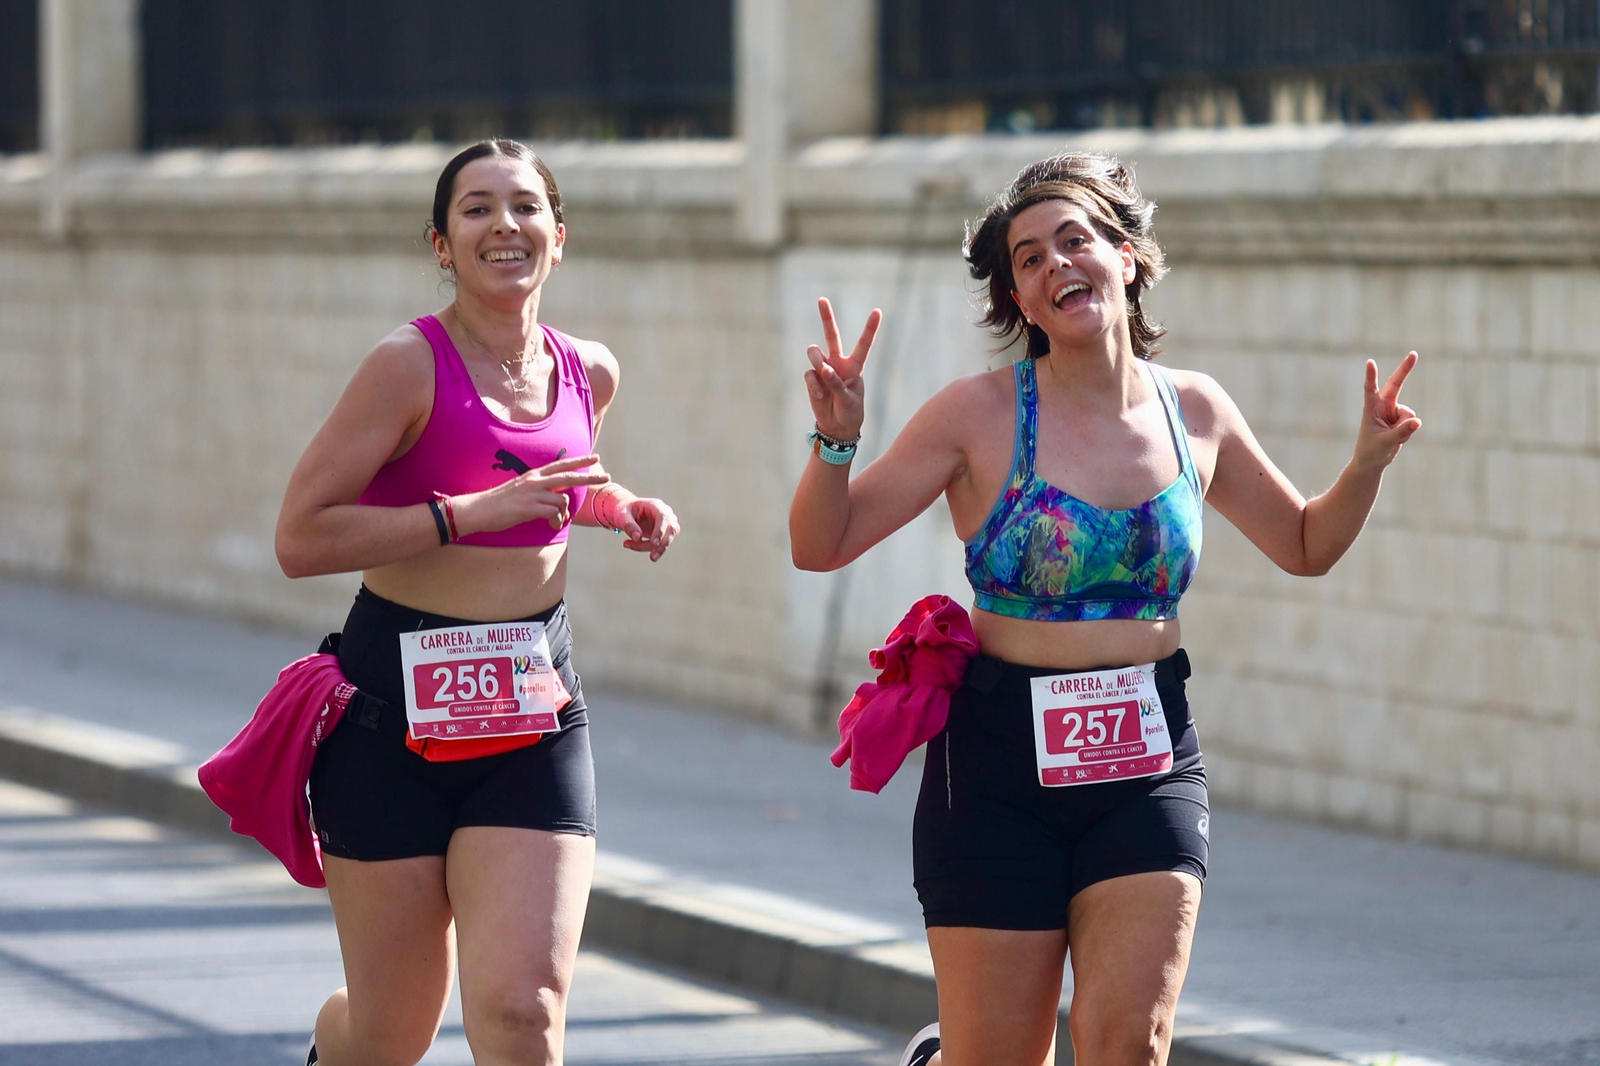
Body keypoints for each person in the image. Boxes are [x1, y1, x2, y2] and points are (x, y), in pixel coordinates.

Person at [789, 152, 1419, 1066]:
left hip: (1148, 755)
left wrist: (1363, 465)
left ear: (1126, 257)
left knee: (1132, 1042)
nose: (1055, 267)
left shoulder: (1194, 409)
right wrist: (835, 443)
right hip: (997, 767)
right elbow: (823, 543)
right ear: (1020, 300)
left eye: (1073, 241)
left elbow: (1307, 545)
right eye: (1029, 260)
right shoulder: (975, 415)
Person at [274, 138, 679, 1066]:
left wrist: (621, 507)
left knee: (522, 1016)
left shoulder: (590, 370)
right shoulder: (404, 366)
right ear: (442, 245)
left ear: (560, 237)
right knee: (388, 1036)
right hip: (388, 728)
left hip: (532, 721)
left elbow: (563, 481)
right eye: (478, 209)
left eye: (527, 206)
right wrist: (463, 517)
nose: (507, 225)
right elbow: (301, 537)